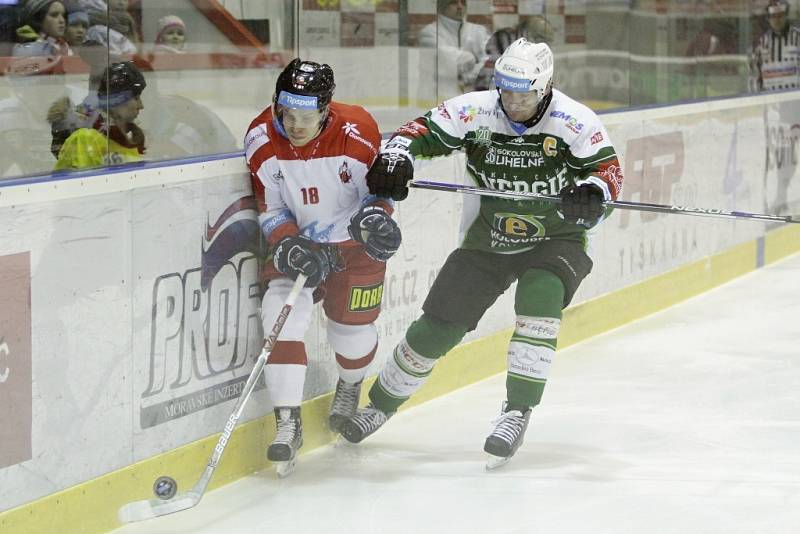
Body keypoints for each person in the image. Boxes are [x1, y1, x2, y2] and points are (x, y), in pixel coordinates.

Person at [341, 38, 624, 469]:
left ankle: (516, 410)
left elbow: (609, 173)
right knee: (438, 326)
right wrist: (397, 156)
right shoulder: (477, 109)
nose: (512, 103)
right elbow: (418, 133)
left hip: (557, 237)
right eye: (505, 92)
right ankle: (379, 405)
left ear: (545, 88)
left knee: (540, 299)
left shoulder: (575, 122)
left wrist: (594, 193)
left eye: (523, 94)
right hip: (487, 238)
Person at [243, 58, 402, 476]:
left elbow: (380, 194)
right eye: (287, 114)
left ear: (326, 110)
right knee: (281, 315)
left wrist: (376, 219)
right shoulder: (260, 138)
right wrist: (288, 244)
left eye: (307, 116)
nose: (295, 125)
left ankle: (350, 385)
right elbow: (270, 207)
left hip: (354, 246)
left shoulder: (359, 131)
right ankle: (287, 422)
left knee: (350, 337)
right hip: (301, 245)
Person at [55, 61, 146, 170]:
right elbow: (86, 183)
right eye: (136, 98)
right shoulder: (87, 138)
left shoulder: (131, 138)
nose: (141, 106)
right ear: (116, 101)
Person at [418, 0, 490, 92]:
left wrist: (467, 78)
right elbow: (458, 62)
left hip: (471, 98)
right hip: (437, 97)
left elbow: (490, 62)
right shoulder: (429, 32)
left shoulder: (478, 31)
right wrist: (474, 59)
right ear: (442, 7)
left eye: (463, 2)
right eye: (453, 2)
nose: (460, 7)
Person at [474, 14, 555, 91]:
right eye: (541, 39)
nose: (546, 46)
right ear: (526, 33)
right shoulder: (504, 41)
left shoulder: (520, 47)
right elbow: (487, 78)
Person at [750, 0, 800, 91]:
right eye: (773, 16)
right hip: (770, 99)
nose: (777, 20)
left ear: (786, 16)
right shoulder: (762, 43)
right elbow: (755, 74)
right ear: (768, 19)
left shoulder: (798, 38)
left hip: (795, 98)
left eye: (780, 16)